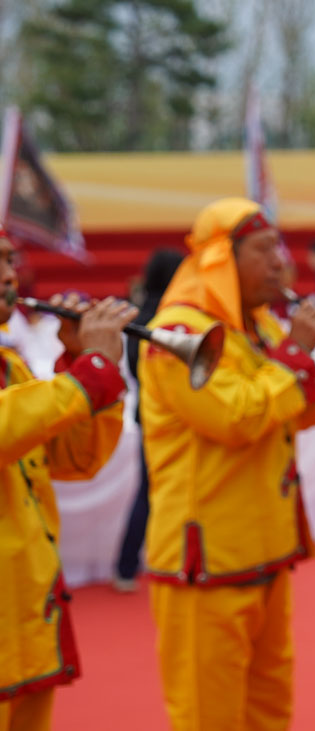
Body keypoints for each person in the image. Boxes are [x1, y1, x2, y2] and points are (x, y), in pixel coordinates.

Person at [139, 198, 315, 730]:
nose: (281, 263)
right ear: (221, 257)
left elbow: (280, 414)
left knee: (269, 712)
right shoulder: (177, 334)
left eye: (281, 249)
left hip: (266, 550)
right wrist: (297, 356)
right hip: (208, 559)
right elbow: (236, 418)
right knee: (208, 717)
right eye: (264, 250)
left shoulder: (257, 325)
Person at [0, 226, 137, 730]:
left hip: (25, 620)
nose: (9, 276)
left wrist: (81, 362)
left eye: (11, 260)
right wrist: (88, 375)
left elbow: (75, 459)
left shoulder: (10, 366)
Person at [114, 247, 185, 591]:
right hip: (170, 415)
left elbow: (132, 368)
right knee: (157, 490)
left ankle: (128, 566)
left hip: (147, 412)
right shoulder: (170, 318)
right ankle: (136, 564)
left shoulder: (140, 315)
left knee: (149, 489)